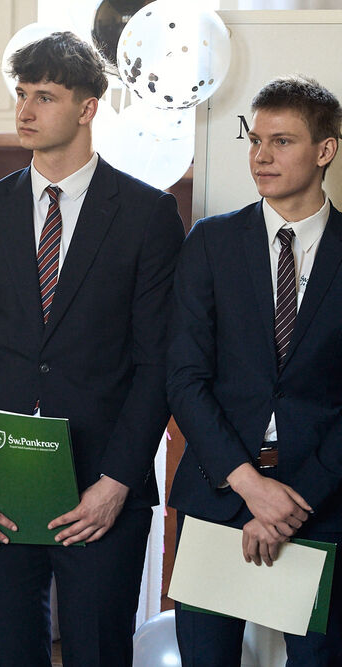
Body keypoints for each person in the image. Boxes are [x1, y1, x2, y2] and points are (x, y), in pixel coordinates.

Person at [0, 32, 185, 666]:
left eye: (44, 96)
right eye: (21, 94)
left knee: (97, 652)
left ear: (89, 107)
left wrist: (117, 482)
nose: (25, 110)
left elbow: (158, 365)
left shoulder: (148, 214)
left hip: (102, 483)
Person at [168, 75, 342, 665]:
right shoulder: (211, 243)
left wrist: (292, 503)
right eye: (255, 140)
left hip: (321, 504)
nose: (261, 156)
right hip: (218, 492)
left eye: (282, 141)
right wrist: (249, 485)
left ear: (325, 150)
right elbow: (184, 378)